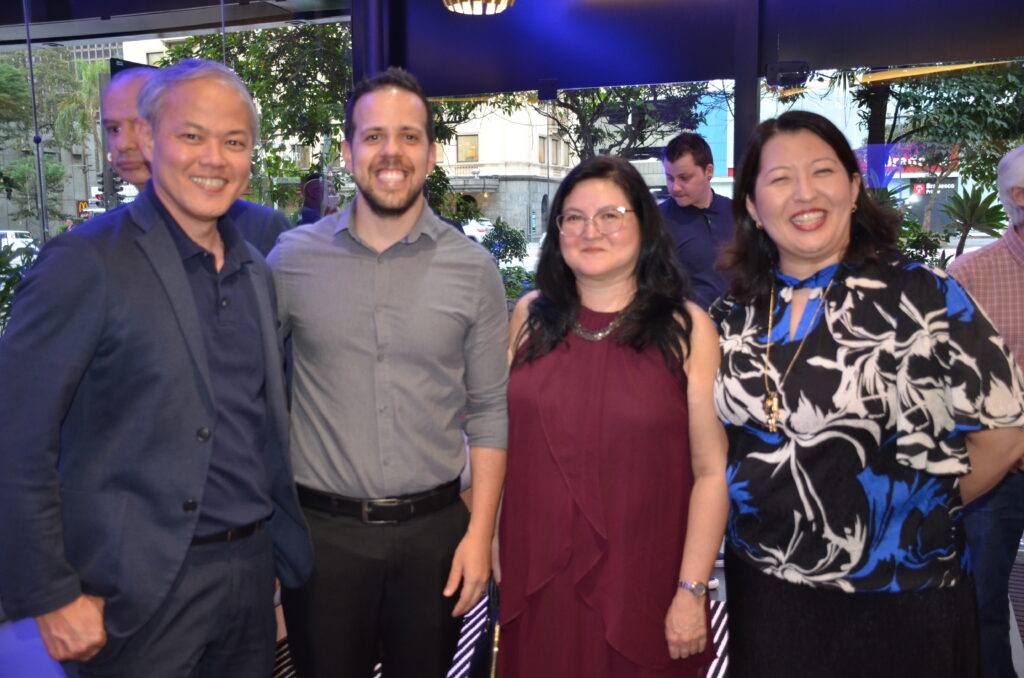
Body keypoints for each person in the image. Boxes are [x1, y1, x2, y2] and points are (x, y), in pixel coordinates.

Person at [0, 58, 313, 677]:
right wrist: (51, 593)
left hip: (247, 581)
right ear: (148, 137)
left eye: (234, 141)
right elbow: (15, 439)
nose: (214, 159)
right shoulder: (83, 263)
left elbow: (255, 432)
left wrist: (270, 570)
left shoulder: (255, 271)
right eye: (192, 136)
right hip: (133, 594)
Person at [711, 110, 1024, 678]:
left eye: (823, 171)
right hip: (765, 593)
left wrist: (917, 507)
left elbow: (1003, 434)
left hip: (902, 595)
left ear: (854, 188)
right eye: (780, 179)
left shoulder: (923, 293)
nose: (804, 193)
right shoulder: (731, 315)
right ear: (753, 208)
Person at [268, 67, 508, 678]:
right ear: (348, 153)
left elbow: (488, 411)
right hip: (321, 538)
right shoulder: (290, 262)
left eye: (408, 136)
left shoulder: (472, 268)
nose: (391, 152)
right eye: (373, 137)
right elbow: (253, 394)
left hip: (435, 536)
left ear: (430, 154)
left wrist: (480, 535)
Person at [498, 155, 728, 677]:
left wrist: (693, 590)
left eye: (610, 215)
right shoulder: (528, 319)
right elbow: (502, 444)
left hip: (643, 579)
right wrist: (489, 535)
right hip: (536, 574)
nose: (590, 230)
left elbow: (712, 472)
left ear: (644, 226)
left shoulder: (686, 328)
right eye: (573, 217)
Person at [948, 142, 1024, 678]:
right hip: (998, 474)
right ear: (1021, 196)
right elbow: (952, 382)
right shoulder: (970, 275)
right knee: (982, 607)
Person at [101, 66, 289, 256]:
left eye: (233, 142)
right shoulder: (94, 249)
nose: (124, 143)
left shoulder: (259, 231)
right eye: (114, 129)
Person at [660, 132, 735, 309]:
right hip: (685, 329)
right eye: (669, 178)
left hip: (741, 329)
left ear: (709, 171)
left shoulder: (738, 213)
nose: (675, 187)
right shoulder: (656, 221)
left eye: (684, 178)